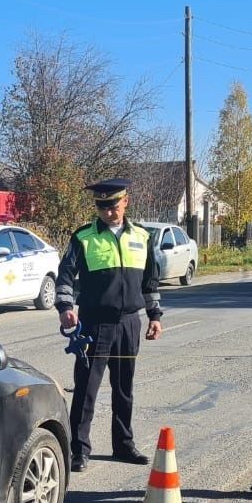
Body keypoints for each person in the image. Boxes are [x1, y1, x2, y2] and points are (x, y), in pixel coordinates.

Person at [55, 178, 163, 472]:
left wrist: (154, 316)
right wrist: (66, 307)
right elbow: (65, 276)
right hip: (94, 324)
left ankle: (124, 445)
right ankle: (79, 450)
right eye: (102, 207)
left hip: (129, 323)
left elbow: (149, 281)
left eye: (113, 206)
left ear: (125, 202)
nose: (108, 212)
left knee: (124, 388)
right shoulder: (84, 237)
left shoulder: (142, 236)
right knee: (87, 388)